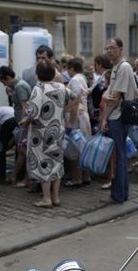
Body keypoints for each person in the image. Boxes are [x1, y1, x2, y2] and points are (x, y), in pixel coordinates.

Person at [19, 60, 76, 208]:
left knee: (43, 163)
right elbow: (75, 98)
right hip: (57, 130)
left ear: (38, 74)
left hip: (41, 133)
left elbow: (34, 113)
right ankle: (56, 197)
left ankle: (46, 198)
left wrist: (25, 121)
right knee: (57, 163)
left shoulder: (38, 90)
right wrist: (64, 110)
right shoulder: (61, 87)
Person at [100, 37, 136, 204]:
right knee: (118, 156)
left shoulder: (123, 67)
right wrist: (104, 96)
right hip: (116, 116)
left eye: (112, 48)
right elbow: (107, 93)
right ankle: (122, 193)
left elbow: (114, 98)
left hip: (118, 117)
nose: (109, 51)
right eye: (107, 48)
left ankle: (119, 195)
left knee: (119, 157)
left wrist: (104, 118)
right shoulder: (116, 67)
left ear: (121, 49)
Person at [0, 65, 32, 187]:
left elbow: (25, 107)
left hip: (24, 124)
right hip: (21, 122)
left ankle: (23, 178)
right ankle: (16, 176)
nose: (4, 85)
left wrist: (22, 125)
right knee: (21, 151)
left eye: (3, 82)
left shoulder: (20, 86)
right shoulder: (16, 86)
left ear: (8, 78)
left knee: (24, 151)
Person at [64, 58, 92, 187]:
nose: (66, 71)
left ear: (72, 68)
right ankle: (86, 175)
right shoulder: (83, 79)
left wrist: (70, 121)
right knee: (84, 145)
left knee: (75, 147)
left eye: (67, 68)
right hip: (84, 114)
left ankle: (76, 178)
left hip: (77, 116)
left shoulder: (74, 80)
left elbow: (75, 101)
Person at [0, 105, 17, 184]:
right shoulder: (1, 109)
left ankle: (0, 175)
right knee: (18, 146)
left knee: (0, 150)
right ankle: (20, 174)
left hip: (7, 121)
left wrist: (0, 146)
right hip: (17, 118)